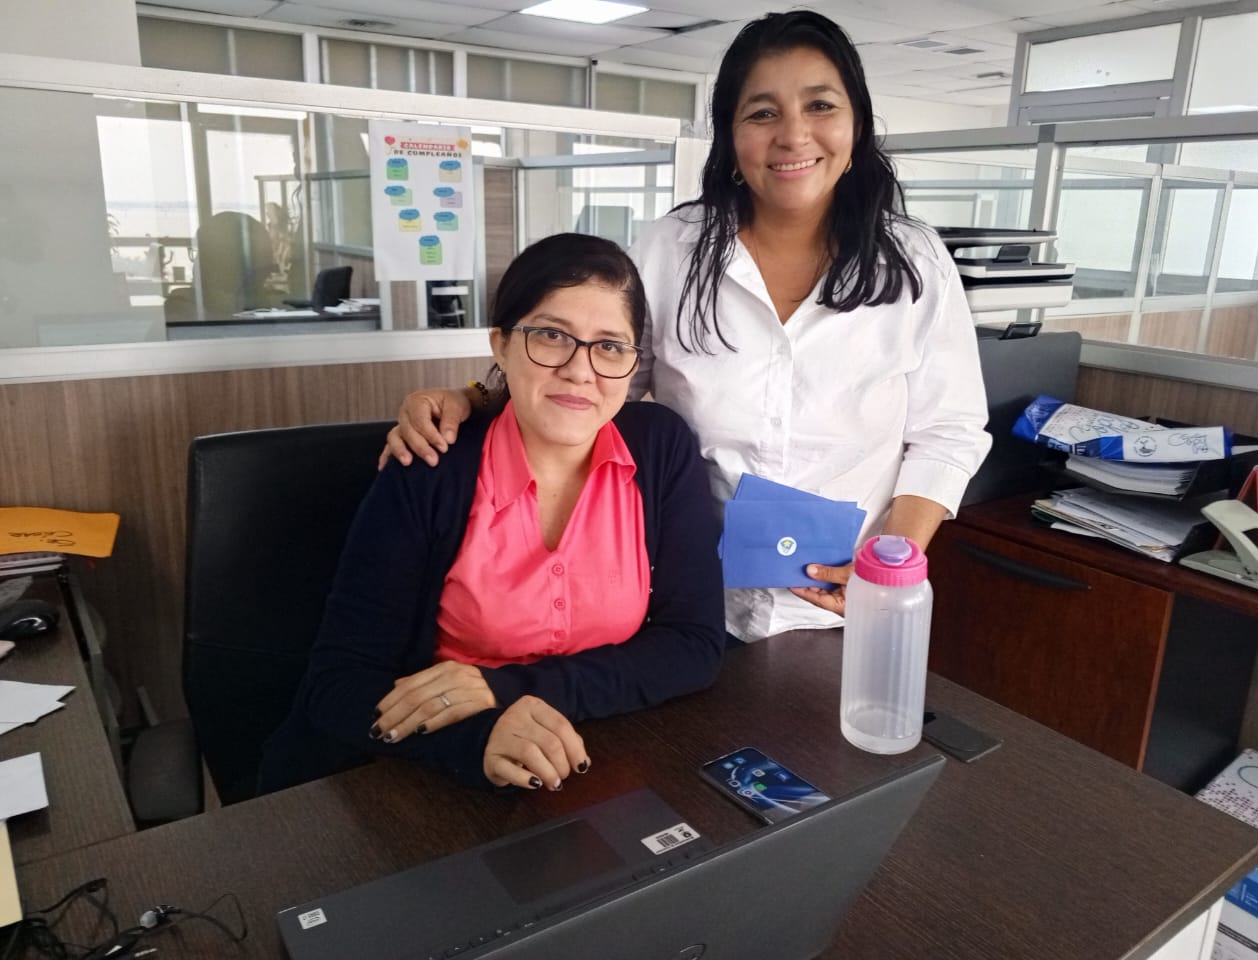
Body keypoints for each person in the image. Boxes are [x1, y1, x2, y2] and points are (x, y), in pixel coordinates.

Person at [380, 11, 991, 642]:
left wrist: (889, 559)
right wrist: (474, 399)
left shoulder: (914, 262)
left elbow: (948, 431)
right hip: (684, 601)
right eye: (762, 113)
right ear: (730, 134)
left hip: (848, 605)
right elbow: (600, 379)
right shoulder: (673, 248)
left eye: (820, 106)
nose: (793, 135)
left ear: (856, 123)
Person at [260, 233, 724, 794]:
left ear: (632, 364)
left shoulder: (659, 447)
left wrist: (503, 688)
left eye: (609, 346)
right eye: (551, 336)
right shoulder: (432, 463)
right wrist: (476, 736)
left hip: (601, 759)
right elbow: (338, 686)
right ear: (501, 345)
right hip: (429, 775)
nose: (581, 370)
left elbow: (693, 645)